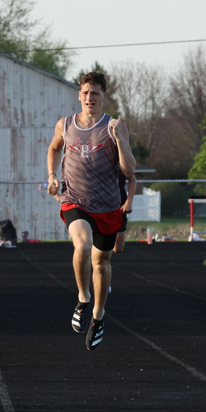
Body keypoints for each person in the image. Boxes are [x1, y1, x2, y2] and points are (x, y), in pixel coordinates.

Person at [47, 71, 136, 351]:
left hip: (108, 205)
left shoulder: (115, 126)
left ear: (104, 97)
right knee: (82, 245)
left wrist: (120, 140)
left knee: (102, 264)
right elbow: (53, 148)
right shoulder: (66, 124)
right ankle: (83, 298)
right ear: (79, 95)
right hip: (75, 199)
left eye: (95, 93)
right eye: (85, 92)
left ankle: (98, 315)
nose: (89, 97)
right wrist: (52, 175)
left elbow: (129, 170)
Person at [113, 171, 137, 254]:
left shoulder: (121, 161)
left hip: (119, 201)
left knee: (118, 248)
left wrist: (129, 202)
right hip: (98, 202)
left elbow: (132, 179)